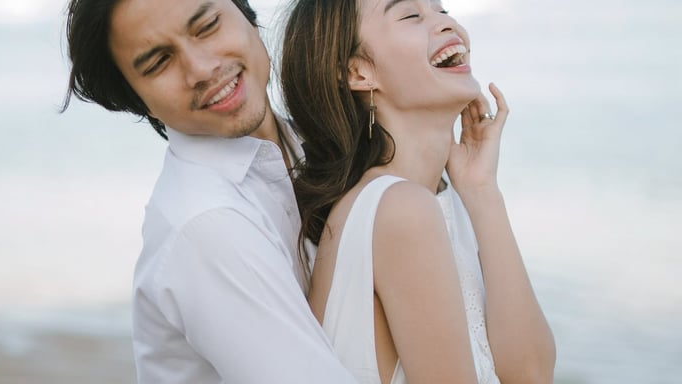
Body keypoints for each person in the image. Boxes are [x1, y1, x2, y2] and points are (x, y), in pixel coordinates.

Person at [61, 0, 360, 383]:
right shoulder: (204, 223)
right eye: (159, 62)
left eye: (207, 27)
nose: (201, 69)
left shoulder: (317, 142)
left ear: (248, 17)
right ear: (139, 102)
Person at [280, 0, 557, 383]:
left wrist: (482, 191)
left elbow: (531, 373)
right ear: (358, 72)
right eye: (411, 15)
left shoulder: (440, 200)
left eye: (442, 10)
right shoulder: (399, 209)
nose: (446, 24)